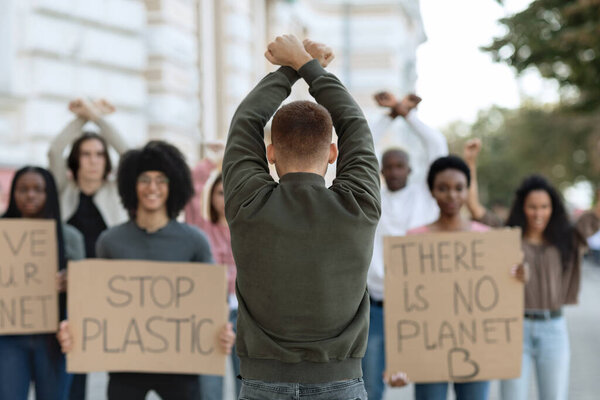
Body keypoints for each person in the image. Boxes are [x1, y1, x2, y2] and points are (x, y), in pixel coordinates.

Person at [222, 35, 380, 399]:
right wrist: (308, 67)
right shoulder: (359, 205)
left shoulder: (248, 205)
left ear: (271, 153)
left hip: (262, 384)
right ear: (333, 153)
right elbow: (356, 124)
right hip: (341, 384)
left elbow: (245, 121)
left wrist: (291, 69)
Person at [57, 140, 235, 400]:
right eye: (144, 179)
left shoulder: (194, 241)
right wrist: (74, 330)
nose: (153, 187)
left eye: (161, 180)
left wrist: (222, 331)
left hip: (182, 365)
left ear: (173, 186)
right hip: (125, 366)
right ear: (131, 185)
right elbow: (97, 305)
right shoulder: (110, 241)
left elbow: (211, 302)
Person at [463, 139, 600, 400]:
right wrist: (470, 162)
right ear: (522, 208)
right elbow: (475, 208)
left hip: (554, 329)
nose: (538, 213)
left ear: (553, 208)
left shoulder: (569, 237)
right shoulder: (507, 235)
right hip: (515, 330)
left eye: (544, 207)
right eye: (532, 207)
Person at [390, 155, 526, 399]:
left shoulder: (487, 239)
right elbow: (404, 305)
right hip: (428, 352)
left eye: (458, 188)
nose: (451, 195)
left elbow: (503, 290)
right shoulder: (413, 240)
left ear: (467, 191)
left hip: (477, 350)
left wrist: (519, 275)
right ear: (432, 191)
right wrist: (402, 360)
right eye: (443, 188)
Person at [362, 91, 448, 399]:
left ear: (410, 170)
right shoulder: (372, 199)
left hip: (419, 305)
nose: (395, 171)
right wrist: (390, 116)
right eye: (390, 166)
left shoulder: (426, 196)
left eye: (401, 165)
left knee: (428, 385)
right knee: (371, 387)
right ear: (382, 171)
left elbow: (436, 146)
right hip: (377, 307)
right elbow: (362, 144)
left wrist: (407, 115)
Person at [48, 98, 128, 399]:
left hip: (111, 290)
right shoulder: (63, 191)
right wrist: (81, 121)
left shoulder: (117, 191)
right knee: (75, 363)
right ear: (76, 160)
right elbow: (55, 150)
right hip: (72, 290)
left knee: (119, 363)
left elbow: (128, 154)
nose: (93, 160)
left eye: (98, 154)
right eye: (85, 154)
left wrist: (98, 118)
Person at [0, 167, 85, 400]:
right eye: (23, 189)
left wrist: (72, 281)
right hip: (8, 338)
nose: (30, 195)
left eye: (38, 190)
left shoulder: (70, 237)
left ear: (50, 195)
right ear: (13, 194)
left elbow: (87, 292)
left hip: (54, 338)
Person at [184, 142, 241, 398]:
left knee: (248, 381)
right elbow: (192, 195)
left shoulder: (249, 230)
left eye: (230, 191)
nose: (225, 197)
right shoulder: (201, 228)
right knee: (209, 387)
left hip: (243, 314)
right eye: (219, 192)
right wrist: (210, 161)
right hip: (209, 312)